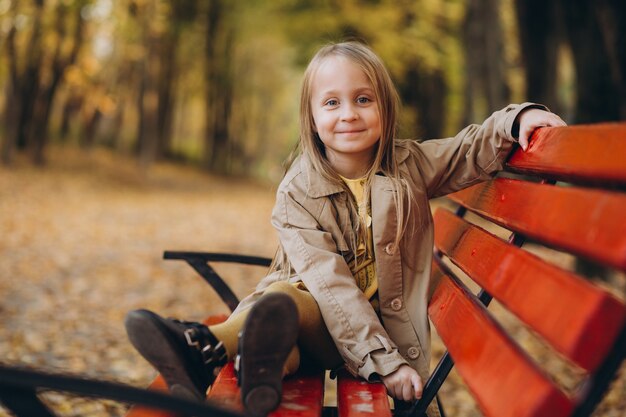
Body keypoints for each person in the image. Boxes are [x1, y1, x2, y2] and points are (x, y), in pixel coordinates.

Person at [125, 41, 566, 416]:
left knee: (278, 313)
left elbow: (466, 150)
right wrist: (384, 363)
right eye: (332, 102)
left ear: (384, 107)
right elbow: (329, 286)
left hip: (357, 335)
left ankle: (205, 349)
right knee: (280, 307)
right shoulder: (297, 191)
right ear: (312, 117)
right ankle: (248, 359)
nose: (348, 114)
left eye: (363, 99)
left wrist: (516, 119)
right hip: (317, 317)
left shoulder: (408, 165)